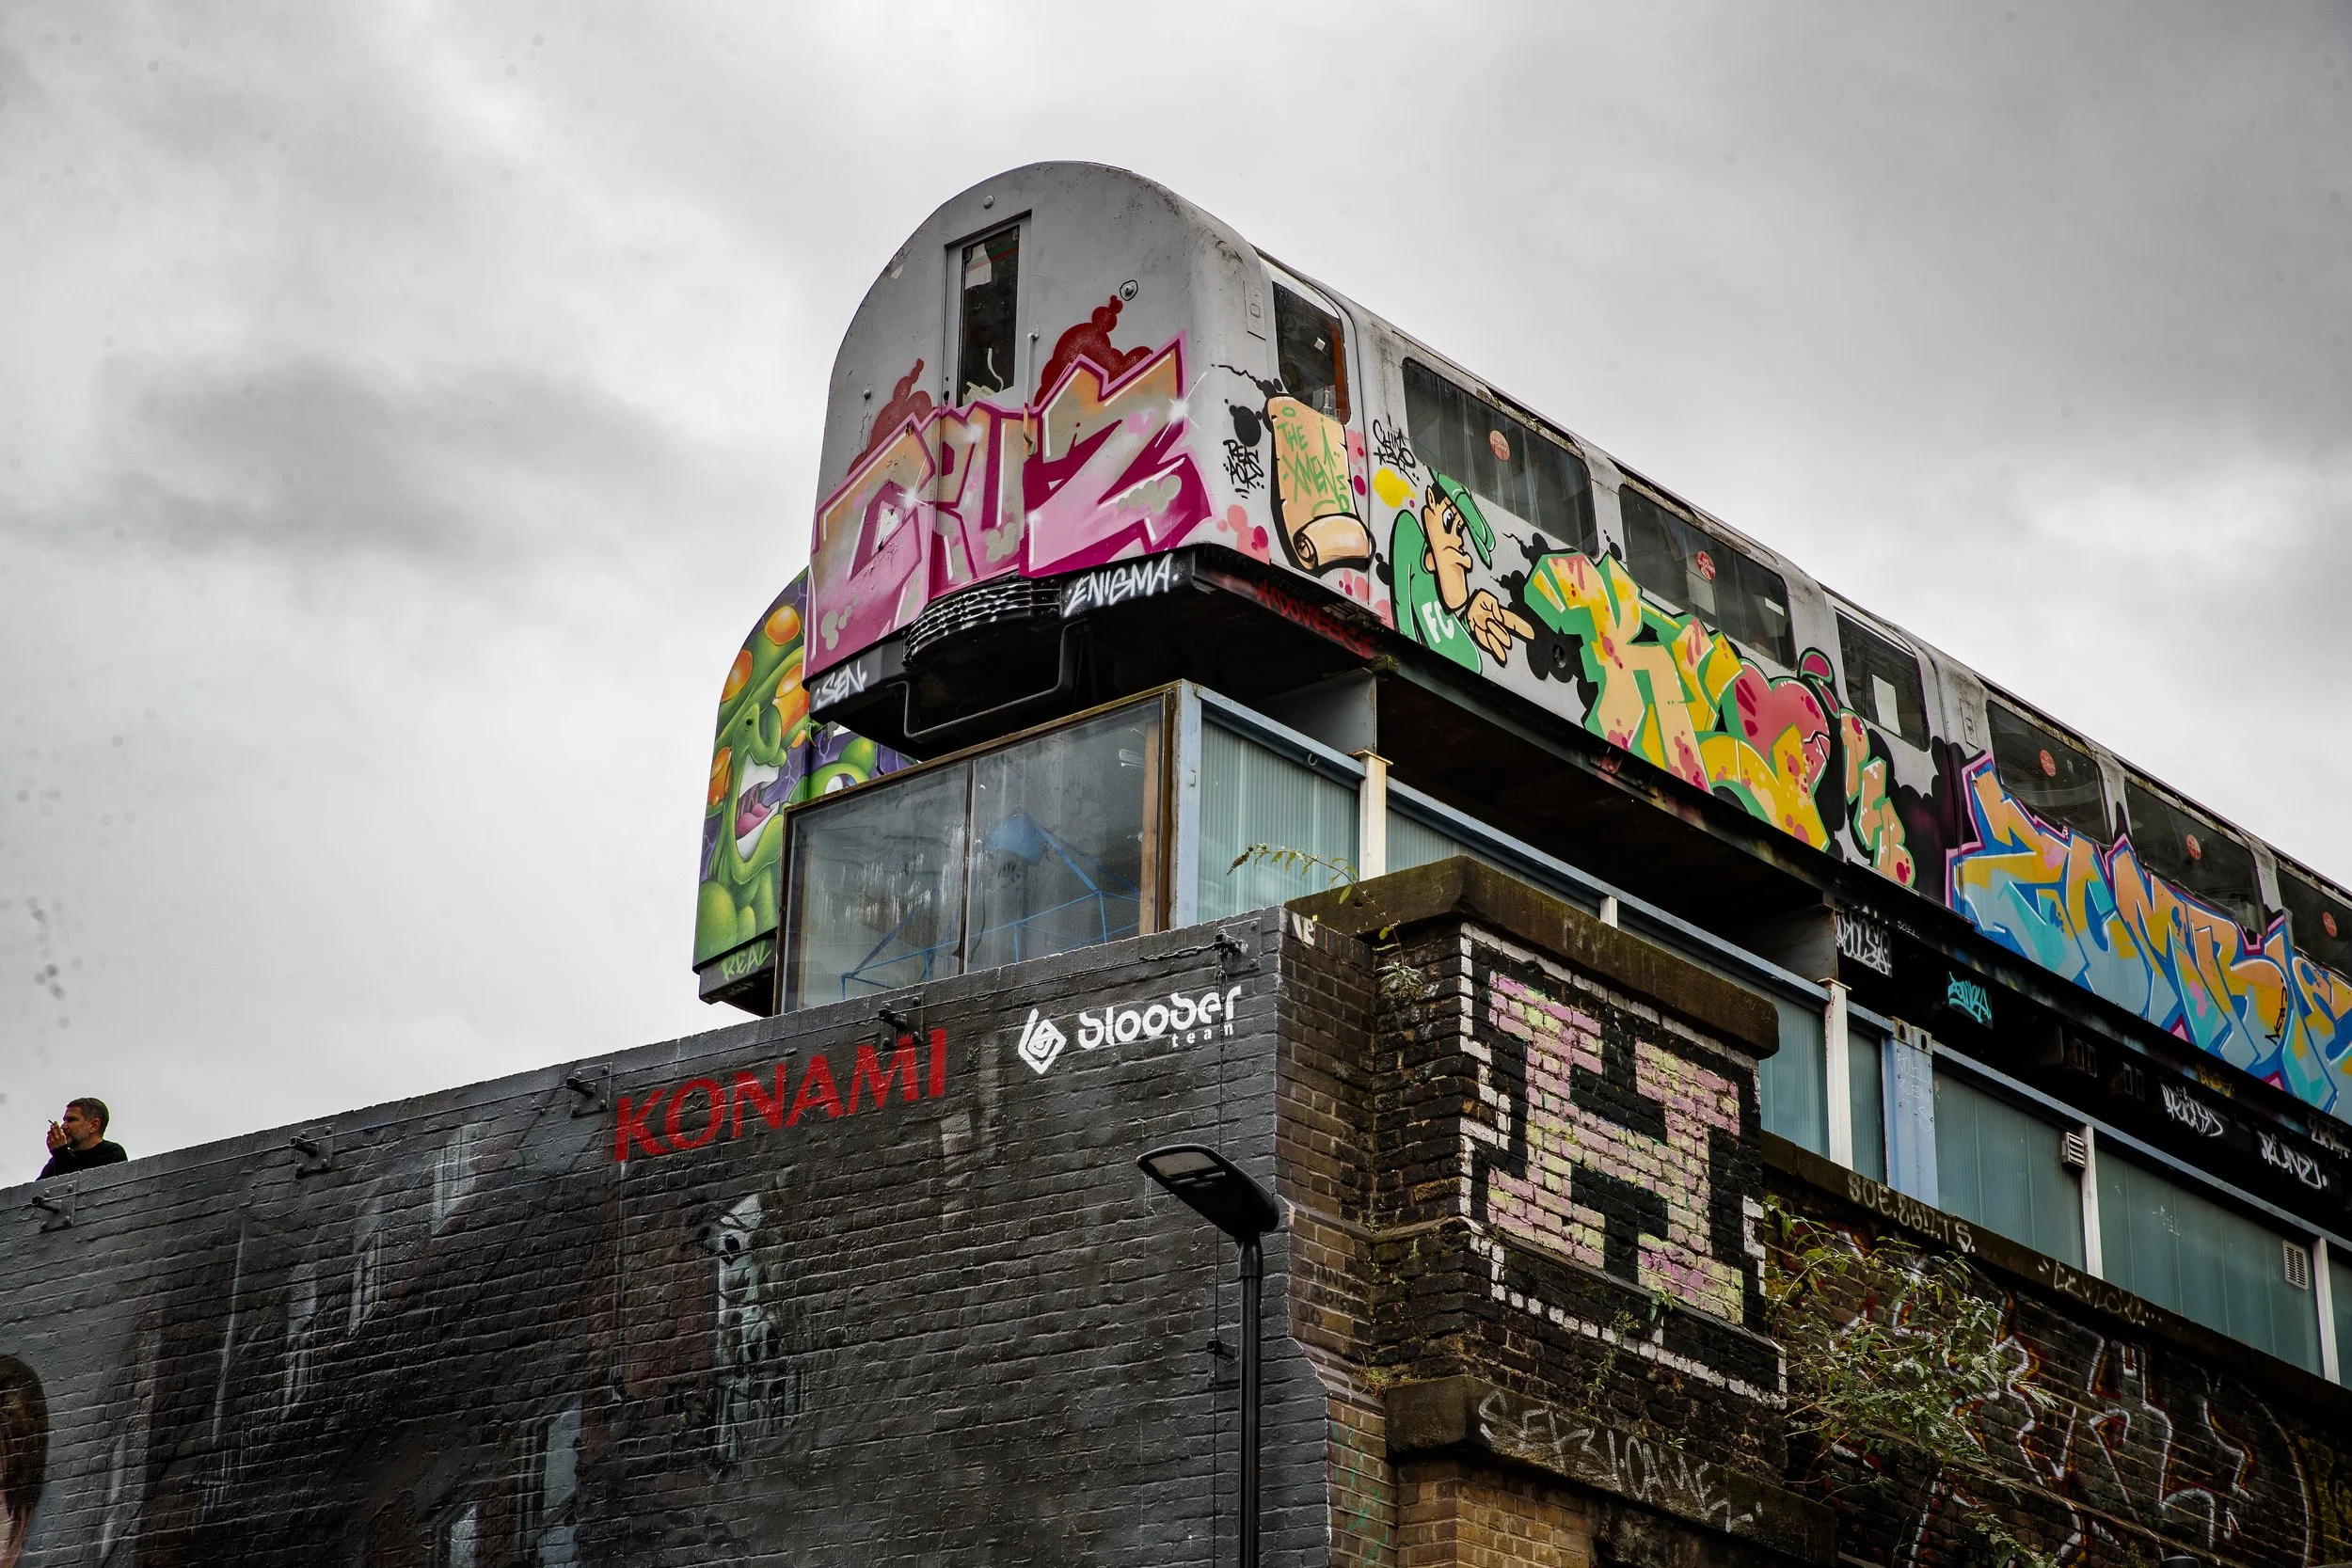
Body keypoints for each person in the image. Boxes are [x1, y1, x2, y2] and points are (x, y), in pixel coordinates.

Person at [39, 1098, 126, 1180]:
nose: (63, 1126)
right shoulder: (55, 1161)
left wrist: (61, 1154)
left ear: (93, 1125)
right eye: (64, 1120)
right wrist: (60, 1154)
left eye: (71, 1120)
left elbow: (85, 1190)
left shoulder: (112, 1154)